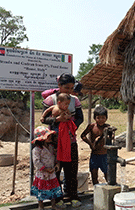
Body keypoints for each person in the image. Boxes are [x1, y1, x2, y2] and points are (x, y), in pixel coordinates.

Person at [42, 73, 84, 208]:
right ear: (59, 86)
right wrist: (57, 121)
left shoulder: (75, 100)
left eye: (72, 88)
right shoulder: (50, 100)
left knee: (71, 170)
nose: (70, 91)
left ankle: (73, 196)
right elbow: (44, 119)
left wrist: (71, 127)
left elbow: (80, 118)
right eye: (67, 88)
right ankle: (57, 199)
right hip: (54, 142)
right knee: (56, 171)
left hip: (71, 141)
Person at [31, 126, 63, 210]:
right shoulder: (36, 150)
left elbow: (55, 156)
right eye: (47, 136)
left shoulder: (51, 147)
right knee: (40, 190)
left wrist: (57, 165)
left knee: (53, 189)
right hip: (42, 173)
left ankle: (53, 205)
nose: (50, 138)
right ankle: (41, 206)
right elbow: (36, 162)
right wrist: (45, 169)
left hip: (51, 171)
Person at [80, 106, 111, 185]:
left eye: (103, 118)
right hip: (94, 155)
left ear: (106, 118)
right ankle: (96, 192)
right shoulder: (92, 126)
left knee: (108, 174)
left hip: (105, 155)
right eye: (98, 118)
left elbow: (112, 136)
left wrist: (106, 138)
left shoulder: (107, 127)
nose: (100, 120)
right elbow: (83, 135)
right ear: (94, 118)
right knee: (94, 175)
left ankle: (110, 190)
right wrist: (91, 144)